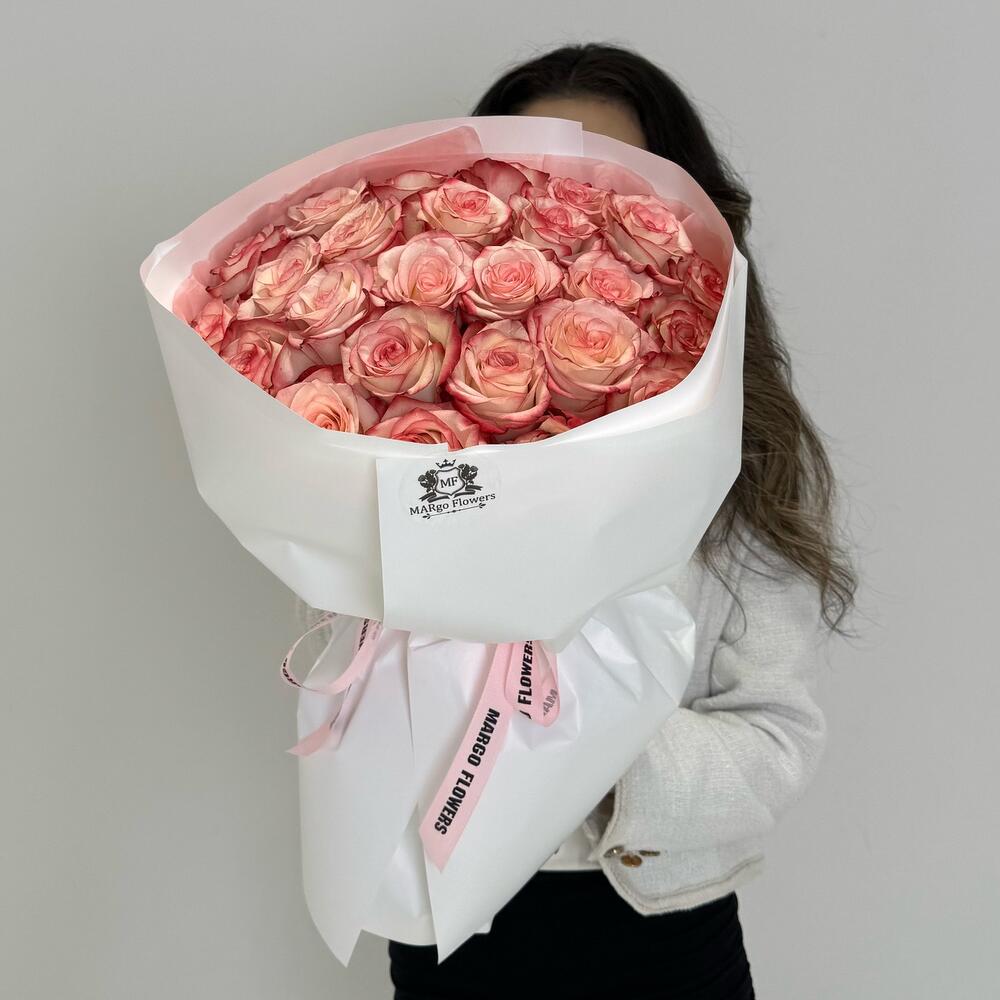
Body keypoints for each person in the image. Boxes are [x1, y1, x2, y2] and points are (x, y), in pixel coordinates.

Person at [377, 42, 859, 1000]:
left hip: (662, 933)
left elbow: (776, 737)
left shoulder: (748, 445)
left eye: (609, 184)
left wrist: (577, 741)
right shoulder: (396, 423)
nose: (569, 212)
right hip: (448, 924)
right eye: (534, 177)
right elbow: (349, 666)